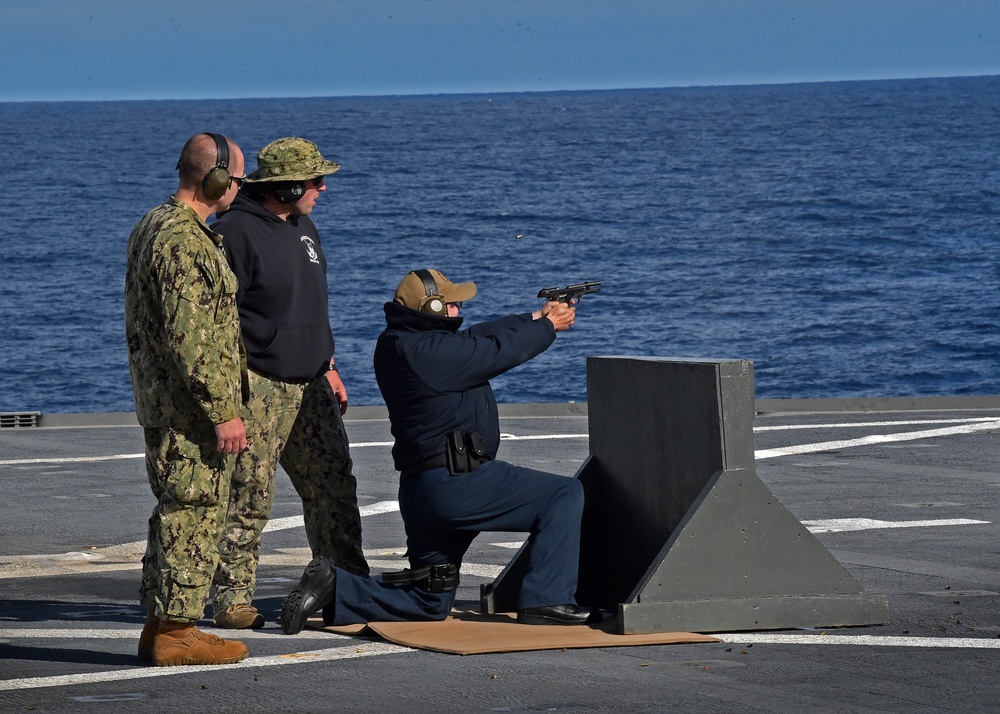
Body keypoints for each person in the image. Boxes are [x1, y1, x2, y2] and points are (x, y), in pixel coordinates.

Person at [278, 268, 591, 633]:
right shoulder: (429, 354)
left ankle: (337, 588)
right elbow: (494, 350)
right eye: (454, 303)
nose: (460, 309)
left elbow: (478, 335)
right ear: (434, 306)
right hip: (461, 485)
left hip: (424, 491)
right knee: (564, 495)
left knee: (430, 601)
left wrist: (534, 317)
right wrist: (547, 328)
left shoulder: (399, 342)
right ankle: (546, 600)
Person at [208, 137, 369, 630]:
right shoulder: (232, 233)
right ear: (288, 185)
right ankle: (231, 598)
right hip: (260, 384)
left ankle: (347, 584)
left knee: (333, 486)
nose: (322, 188)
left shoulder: (304, 227)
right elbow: (216, 320)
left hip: (311, 380)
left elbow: (310, 304)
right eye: (315, 180)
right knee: (248, 494)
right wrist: (226, 401)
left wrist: (329, 363)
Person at [124, 132, 251, 666]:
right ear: (215, 178)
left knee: (176, 510)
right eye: (237, 178)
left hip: (171, 404)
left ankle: (161, 623)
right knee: (193, 514)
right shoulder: (181, 240)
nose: (241, 188)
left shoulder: (157, 224)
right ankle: (178, 631)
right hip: (189, 411)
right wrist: (222, 409)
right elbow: (191, 337)